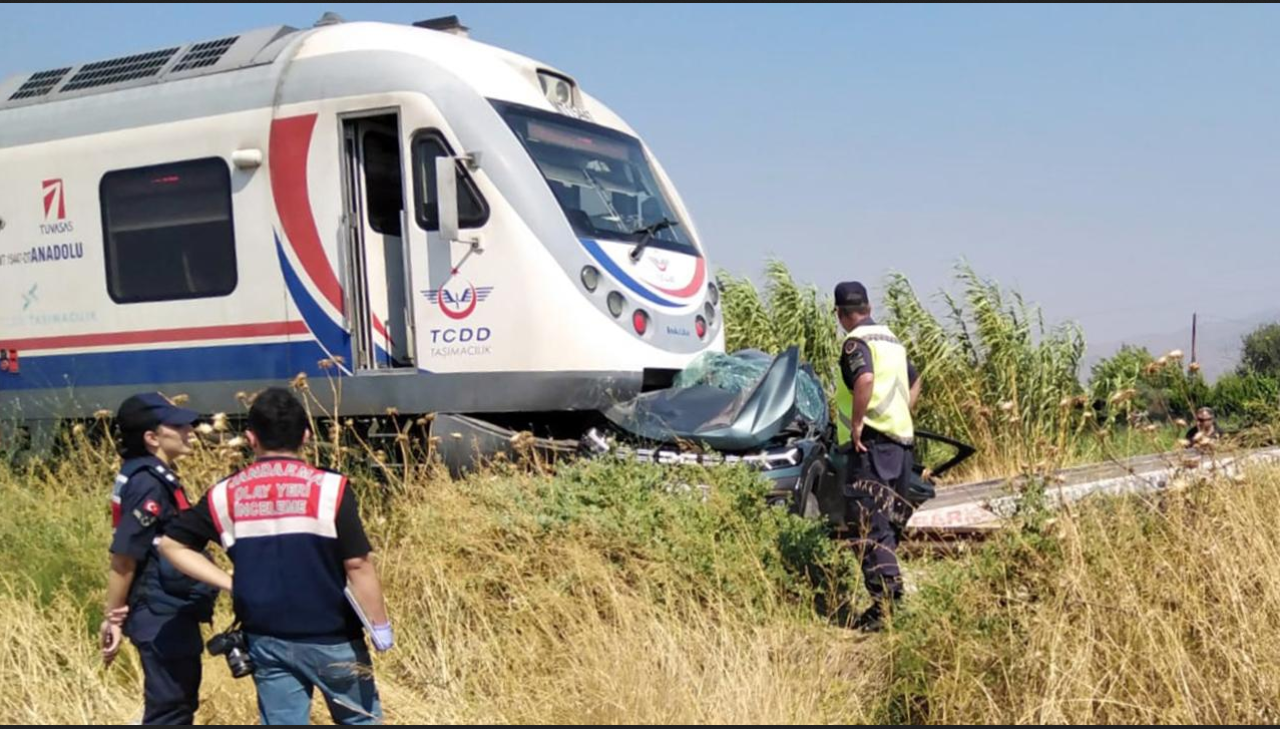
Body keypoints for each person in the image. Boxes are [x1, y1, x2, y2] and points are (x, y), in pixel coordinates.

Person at [160, 388, 392, 725]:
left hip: (267, 638)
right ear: (307, 436)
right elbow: (358, 564)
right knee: (360, 720)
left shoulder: (224, 494)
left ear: (251, 438)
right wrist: (379, 626)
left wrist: (231, 582)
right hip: (334, 635)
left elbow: (172, 545)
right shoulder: (332, 488)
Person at [101, 393, 218, 725]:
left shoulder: (148, 475)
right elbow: (125, 556)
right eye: (178, 426)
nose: (190, 430)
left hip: (165, 607)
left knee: (177, 704)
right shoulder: (149, 484)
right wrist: (113, 616)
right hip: (159, 610)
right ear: (152, 438)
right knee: (170, 708)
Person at [832, 282, 922, 633]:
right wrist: (901, 411)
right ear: (868, 307)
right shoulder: (892, 342)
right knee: (887, 523)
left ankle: (886, 608)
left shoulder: (856, 343)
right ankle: (890, 602)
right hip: (900, 445)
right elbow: (916, 381)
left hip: (870, 445)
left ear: (841, 314)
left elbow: (865, 378)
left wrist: (857, 424)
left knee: (870, 524)